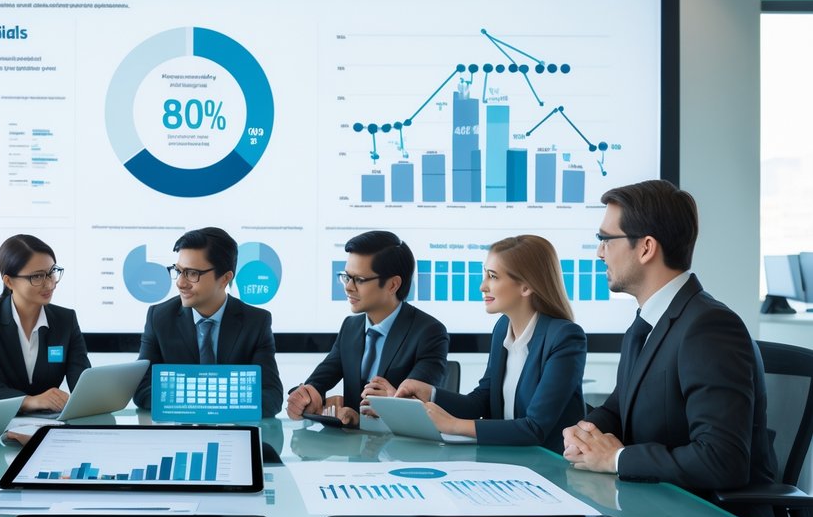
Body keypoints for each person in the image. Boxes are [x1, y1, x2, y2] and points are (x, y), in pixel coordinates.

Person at [563, 180, 776, 495]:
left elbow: (722, 460)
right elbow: (618, 410)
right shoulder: (647, 324)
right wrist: (584, 433)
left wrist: (616, 458)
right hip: (652, 506)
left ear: (646, 247)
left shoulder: (709, 327)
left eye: (606, 239)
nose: (599, 253)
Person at [395, 235, 587, 453]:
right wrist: (430, 393)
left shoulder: (565, 337)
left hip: (550, 469)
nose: (482, 286)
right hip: (507, 461)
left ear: (526, 287)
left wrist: (454, 425)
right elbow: (482, 401)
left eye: (493, 277)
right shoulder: (502, 328)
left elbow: (534, 428)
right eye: (485, 274)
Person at [286, 231, 447, 425]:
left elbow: (420, 408)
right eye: (346, 277)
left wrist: (370, 415)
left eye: (359, 280)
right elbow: (318, 381)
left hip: (401, 451)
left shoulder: (429, 332)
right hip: (353, 450)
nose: (348, 287)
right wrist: (306, 397)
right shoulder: (351, 327)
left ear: (393, 284)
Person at [133, 227, 284, 417]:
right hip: (179, 437)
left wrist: (188, 400)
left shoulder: (256, 322)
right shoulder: (159, 318)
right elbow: (142, 391)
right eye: (178, 271)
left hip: (235, 436)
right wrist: (217, 401)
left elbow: (271, 397)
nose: (180, 282)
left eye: (192, 273)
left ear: (225, 278)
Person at [0, 234, 89, 412]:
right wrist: (33, 401)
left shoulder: (65, 320)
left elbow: (83, 384)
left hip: (47, 427)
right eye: (37, 277)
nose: (49, 283)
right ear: (9, 281)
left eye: (52, 273)